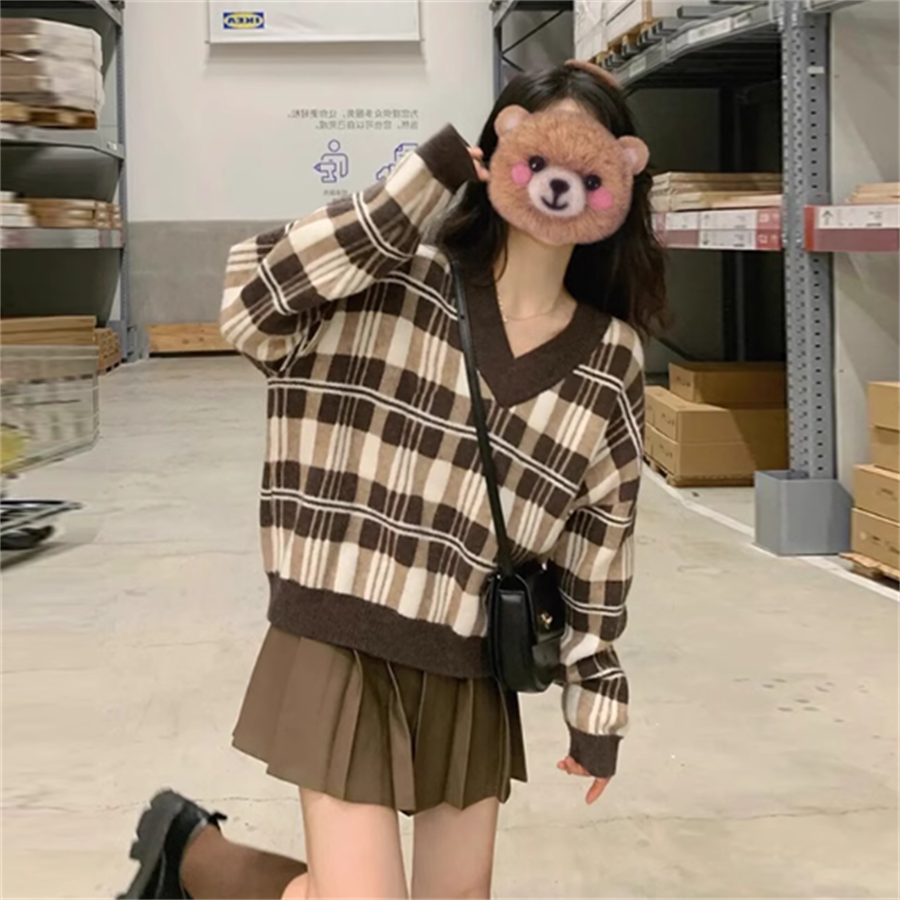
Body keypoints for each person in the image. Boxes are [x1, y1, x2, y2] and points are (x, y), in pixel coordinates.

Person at [118, 61, 666, 900]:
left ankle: (190, 856)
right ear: (500, 146)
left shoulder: (610, 356)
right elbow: (251, 300)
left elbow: (600, 544)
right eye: (539, 151)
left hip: (469, 660)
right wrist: (422, 181)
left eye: (587, 166)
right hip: (341, 633)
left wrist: (596, 702)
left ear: (621, 182)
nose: (558, 183)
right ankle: (199, 859)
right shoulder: (392, 278)